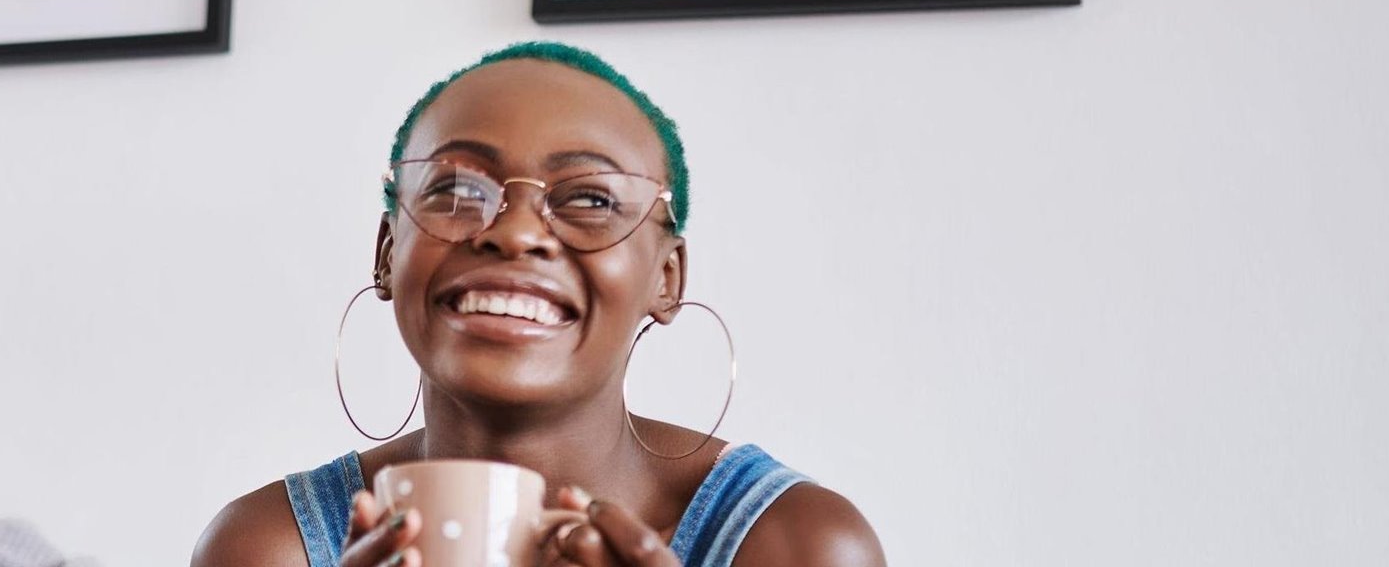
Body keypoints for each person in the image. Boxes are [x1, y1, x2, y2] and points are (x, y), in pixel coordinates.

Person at [193, 42, 884, 567]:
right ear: (386, 251)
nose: (516, 232)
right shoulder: (269, 546)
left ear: (666, 278)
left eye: (589, 199)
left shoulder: (797, 542)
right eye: (457, 191)